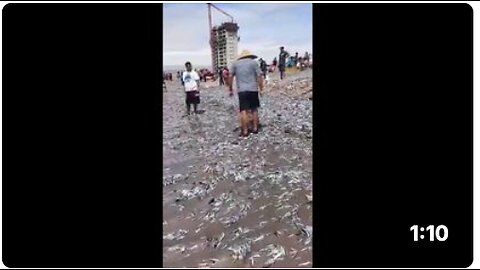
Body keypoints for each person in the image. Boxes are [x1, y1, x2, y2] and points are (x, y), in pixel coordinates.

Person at [228, 49, 264, 137]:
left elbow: (230, 76)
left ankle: (245, 131)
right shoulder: (254, 63)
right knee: (254, 109)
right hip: (253, 89)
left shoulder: (235, 64)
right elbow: (259, 75)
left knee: (243, 110)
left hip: (242, 90)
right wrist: (261, 88)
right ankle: (255, 128)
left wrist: (230, 89)